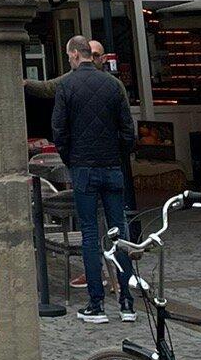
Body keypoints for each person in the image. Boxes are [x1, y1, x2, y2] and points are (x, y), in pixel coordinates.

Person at [52, 34, 137, 325]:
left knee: (89, 234)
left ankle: (96, 303)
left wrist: (71, 159)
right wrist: (118, 154)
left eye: (68, 56)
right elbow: (128, 130)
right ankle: (127, 301)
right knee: (119, 232)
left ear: (75, 54)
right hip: (112, 166)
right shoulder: (113, 85)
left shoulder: (67, 86)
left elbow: (59, 131)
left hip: (84, 167)